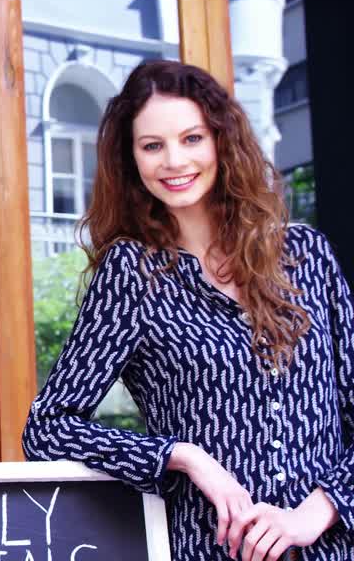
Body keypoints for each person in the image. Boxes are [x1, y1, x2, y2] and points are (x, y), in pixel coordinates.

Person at [23, 60, 354, 561]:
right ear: (132, 159)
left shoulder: (306, 256)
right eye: (152, 146)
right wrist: (182, 456)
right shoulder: (132, 275)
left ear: (222, 140)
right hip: (209, 550)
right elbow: (48, 428)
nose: (174, 160)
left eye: (192, 138)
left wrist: (314, 513)